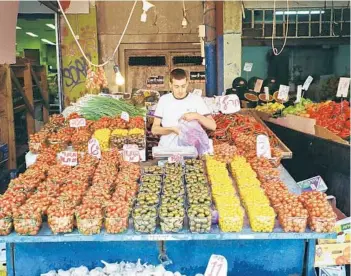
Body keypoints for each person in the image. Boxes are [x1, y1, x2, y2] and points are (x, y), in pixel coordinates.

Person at [151, 68, 216, 148]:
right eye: (176, 87)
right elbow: (154, 129)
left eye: (183, 86)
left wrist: (197, 116)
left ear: (187, 83)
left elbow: (213, 126)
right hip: (167, 150)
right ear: (170, 85)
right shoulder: (164, 100)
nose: (180, 90)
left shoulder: (196, 100)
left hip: (191, 151)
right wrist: (172, 129)